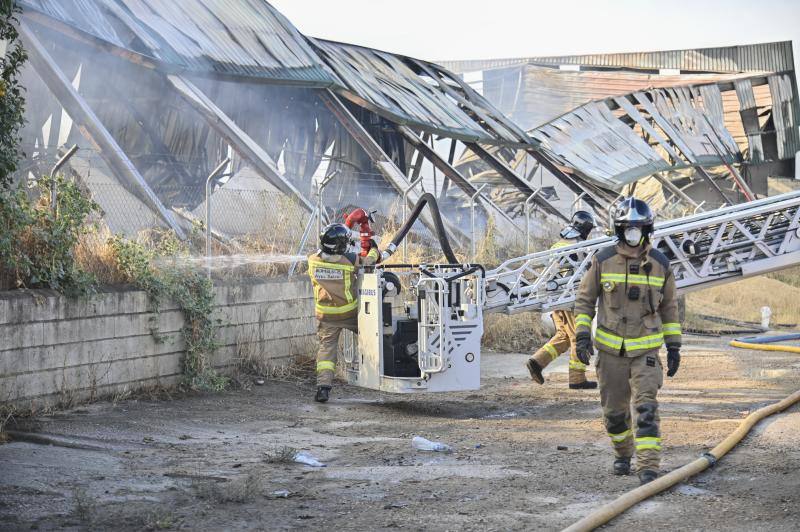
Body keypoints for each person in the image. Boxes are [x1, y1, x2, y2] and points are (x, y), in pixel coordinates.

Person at [573, 198, 681, 485]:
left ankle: (648, 467)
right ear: (618, 230)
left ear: (647, 229)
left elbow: (670, 309)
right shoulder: (603, 260)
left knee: (646, 407)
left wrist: (674, 346)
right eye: (627, 228)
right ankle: (623, 453)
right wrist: (582, 335)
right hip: (610, 354)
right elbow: (584, 302)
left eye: (638, 228)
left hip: (645, 350)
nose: (633, 233)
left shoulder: (660, 265)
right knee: (614, 415)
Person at [308, 222, 379, 403]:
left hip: (326, 316)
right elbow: (369, 262)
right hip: (350, 314)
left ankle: (323, 388)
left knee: (326, 350)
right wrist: (374, 250)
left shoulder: (312, 261)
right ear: (340, 245)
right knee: (375, 335)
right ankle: (382, 370)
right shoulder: (349, 260)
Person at [526, 211, 598, 389]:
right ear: (584, 228)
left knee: (564, 336)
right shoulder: (578, 246)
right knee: (577, 337)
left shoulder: (561, 242)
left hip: (557, 297)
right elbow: (584, 270)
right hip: (569, 298)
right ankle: (577, 379)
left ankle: (537, 362)